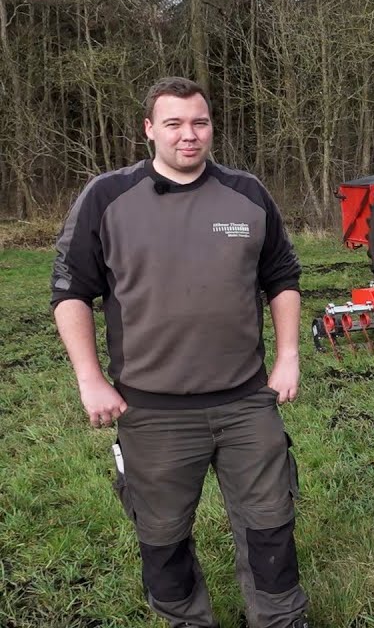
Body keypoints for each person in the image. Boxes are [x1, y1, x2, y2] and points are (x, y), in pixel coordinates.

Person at [51, 77, 310, 628]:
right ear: (149, 130)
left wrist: (287, 356)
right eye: (173, 123)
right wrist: (89, 378)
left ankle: (281, 619)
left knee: (270, 527)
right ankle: (186, 620)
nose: (188, 135)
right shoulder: (107, 197)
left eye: (200, 122)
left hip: (246, 402)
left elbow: (282, 277)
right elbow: (70, 290)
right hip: (152, 411)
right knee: (162, 539)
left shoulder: (247, 193)